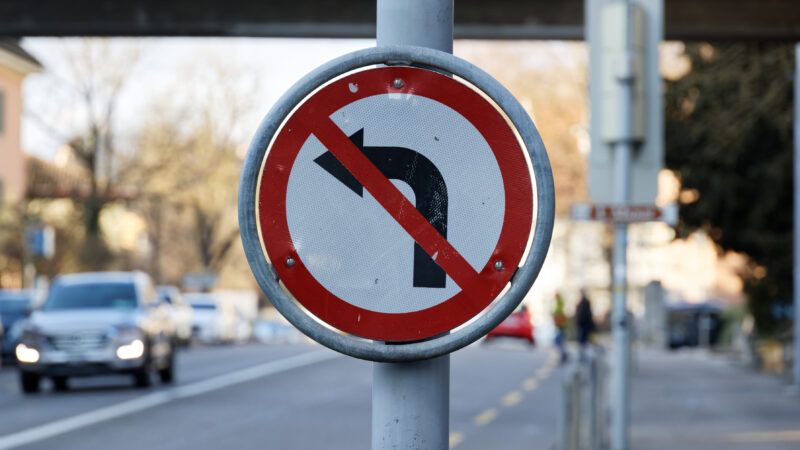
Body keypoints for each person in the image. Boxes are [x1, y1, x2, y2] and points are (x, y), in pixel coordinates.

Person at [574, 289, 596, 359]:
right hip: (581, 325)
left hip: (585, 324)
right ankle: (583, 355)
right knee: (582, 341)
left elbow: (588, 314)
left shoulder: (585, 302)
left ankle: (586, 356)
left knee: (584, 341)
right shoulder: (580, 303)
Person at [552, 292, 568, 363]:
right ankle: (563, 354)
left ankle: (563, 355)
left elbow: (559, 316)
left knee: (558, 341)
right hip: (560, 327)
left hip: (561, 327)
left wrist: (555, 318)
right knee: (559, 342)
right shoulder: (559, 305)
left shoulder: (559, 306)